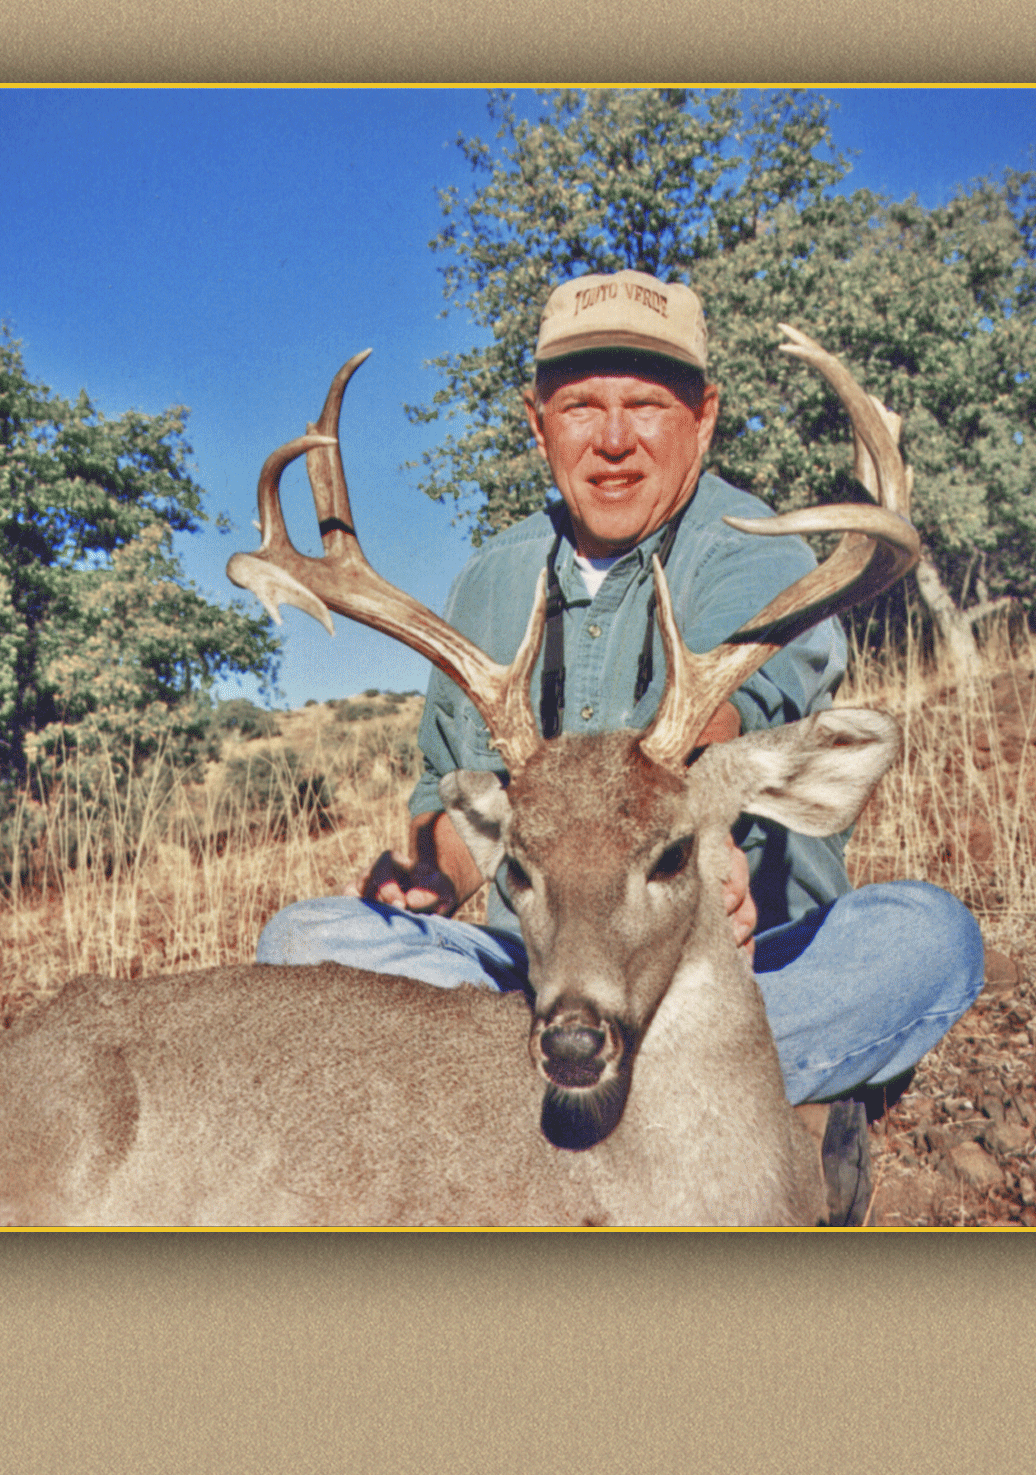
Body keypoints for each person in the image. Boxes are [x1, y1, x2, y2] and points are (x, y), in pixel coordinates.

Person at [257, 270, 984, 1222]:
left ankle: (563, 1109)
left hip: (736, 980)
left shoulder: (760, 551)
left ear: (704, 416)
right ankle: (722, 1116)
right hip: (539, 976)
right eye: (580, 406)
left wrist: (694, 816)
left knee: (929, 941)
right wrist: (433, 873)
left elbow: (759, 699)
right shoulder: (489, 582)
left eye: (645, 405)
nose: (612, 440)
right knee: (302, 940)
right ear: (536, 421)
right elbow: (453, 792)